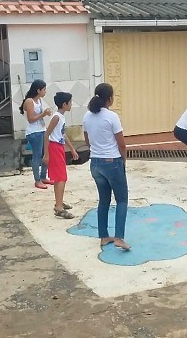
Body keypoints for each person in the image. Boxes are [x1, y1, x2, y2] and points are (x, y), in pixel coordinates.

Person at [83, 83, 130, 250]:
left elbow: (87, 141)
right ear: (110, 98)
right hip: (112, 162)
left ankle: (104, 236)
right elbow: (122, 144)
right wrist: (123, 161)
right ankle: (119, 237)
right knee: (122, 200)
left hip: (95, 163)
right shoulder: (111, 117)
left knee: (104, 200)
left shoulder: (87, 116)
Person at [43, 92, 79, 219]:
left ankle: (59, 201)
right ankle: (59, 206)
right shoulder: (56, 117)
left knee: (59, 177)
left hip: (58, 147)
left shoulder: (61, 117)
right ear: (65, 104)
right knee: (61, 177)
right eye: (70, 102)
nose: (71, 104)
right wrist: (46, 154)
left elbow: (62, 134)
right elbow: (46, 134)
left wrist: (72, 149)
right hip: (54, 148)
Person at [20, 79, 53, 189]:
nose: (45, 91)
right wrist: (43, 114)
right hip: (34, 132)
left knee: (46, 154)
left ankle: (43, 176)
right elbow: (31, 119)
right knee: (37, 156)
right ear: (38, 90)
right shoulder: (29, 101)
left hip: (41, 130)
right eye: (44, 89)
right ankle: (37, 180)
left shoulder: (38, 101)